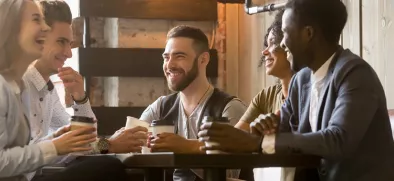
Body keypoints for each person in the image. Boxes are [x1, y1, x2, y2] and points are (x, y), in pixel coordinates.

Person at [198, 0, 394, 181]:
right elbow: (285, 135)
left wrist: (258, 144)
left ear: (308, 33)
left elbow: (338, 140)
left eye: (285, 32)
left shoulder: (355, 74)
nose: (282, 43)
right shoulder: (301, 80)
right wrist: (265, 129)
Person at [0, 1, 127, 181]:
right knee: (107, 167)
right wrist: (56, 146)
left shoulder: (24, 86)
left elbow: (81, 138)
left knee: (104, 166)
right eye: (36, 20)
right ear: (11, 30)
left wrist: (77, 105)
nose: (43, 27)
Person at [23, 0, 147, 160]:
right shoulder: (18, 85)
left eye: (70, 44)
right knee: (109, 166)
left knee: (106, 164)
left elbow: (84, 140)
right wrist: (108, 145)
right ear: (38, 38)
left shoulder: (47, 88)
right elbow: (24, 157)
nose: (69, 53)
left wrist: (80, 98)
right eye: (61, 42)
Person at [140, 25, 248, 181]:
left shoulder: (230, 107)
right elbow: (131, 142)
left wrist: (184, 148)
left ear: (203, 59)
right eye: (166, 57)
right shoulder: (160, 107)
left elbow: (228, 175)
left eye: (179, 56)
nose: (169, 65)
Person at [234, 9, 294, 181]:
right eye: (265, 45)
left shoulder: (312, 93)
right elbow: (235, 139)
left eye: (272, 43)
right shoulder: (266, 96)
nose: (264, 52)